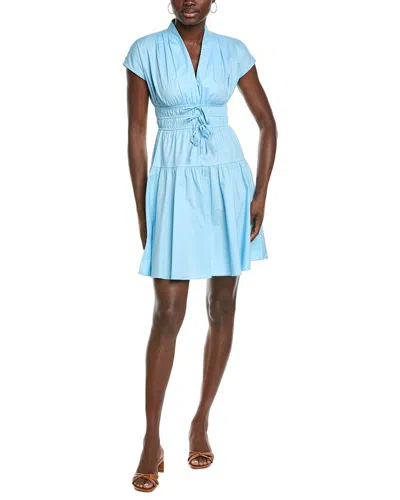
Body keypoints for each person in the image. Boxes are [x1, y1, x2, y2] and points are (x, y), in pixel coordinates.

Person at [123, 0, 277, 492]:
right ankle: (151, 439)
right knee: (167, 314)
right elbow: (136, 133)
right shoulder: (144, 51)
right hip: (172, 185)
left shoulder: (234, 51)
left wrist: (260, 195)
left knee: (222, 307)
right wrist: (143, 208)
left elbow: (268, 123)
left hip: (228, 186)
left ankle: (200, 421)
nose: (190, 0)